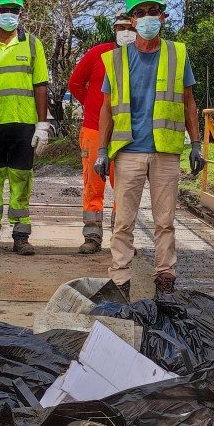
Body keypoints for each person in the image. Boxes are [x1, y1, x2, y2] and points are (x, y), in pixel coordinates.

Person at [93, 0, 205, 296]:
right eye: (139, 13)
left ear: (162, 16)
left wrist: (196, 144)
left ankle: (165, 281)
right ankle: (119, 283)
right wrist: (102, 150)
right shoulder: (116, 60)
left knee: (165, 221)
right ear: (131, 20)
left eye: (152, 11)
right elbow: (106, 109)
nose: (146, 18)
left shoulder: (177, 53)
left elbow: (189, 102)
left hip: (166, 151)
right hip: (129, 150)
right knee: (123, 222)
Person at [0, 0, 50, 256]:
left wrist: (42, 125)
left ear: (21, 13)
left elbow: (40, 85)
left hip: (23, 124)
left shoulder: (32, 44)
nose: (10, 14)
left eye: (14, 10)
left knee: (22, 179)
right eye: (5, 9)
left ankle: (21, 234)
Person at [67, 13, 135, 254]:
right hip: (94, 129)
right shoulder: (98, 54)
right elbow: (75, 83)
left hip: (126, 131)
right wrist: (92, 105)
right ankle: (92, 235)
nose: (125, 31)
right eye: (121, 27)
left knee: (125, 186)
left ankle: (122, 238)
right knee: (93, 183)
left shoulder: (139, 57)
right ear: (114, 30)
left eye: (129, 27)